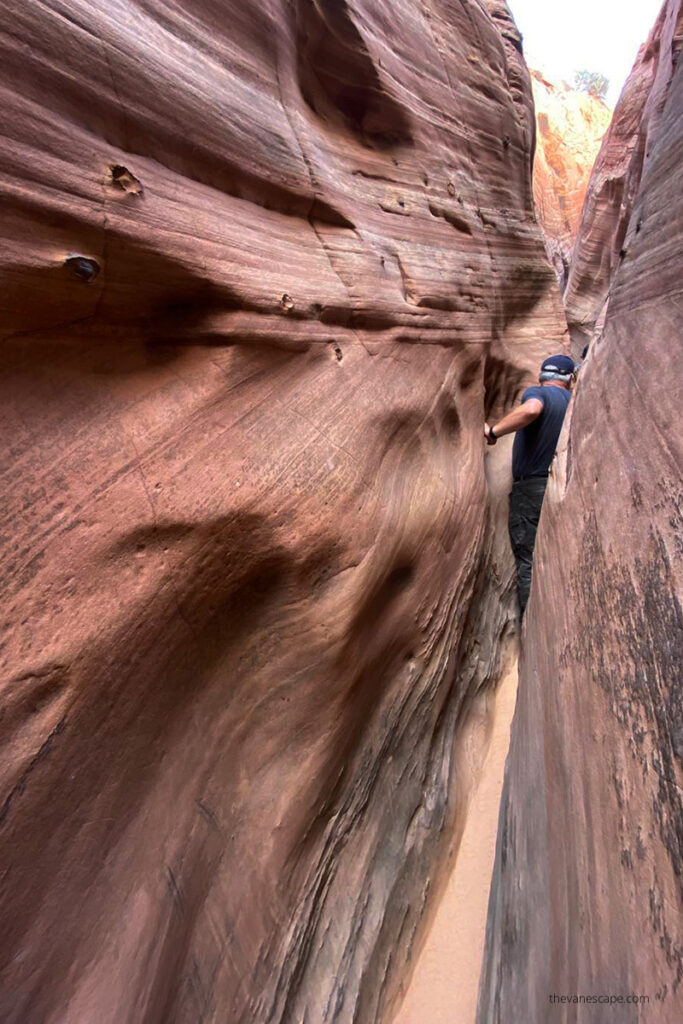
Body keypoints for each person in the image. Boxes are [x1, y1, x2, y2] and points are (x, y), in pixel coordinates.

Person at [484, 354, 576, 615]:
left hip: (531, 489)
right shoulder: (572, 403)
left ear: (543, 377)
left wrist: (493, 432)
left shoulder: (538, 393)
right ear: (569, 379)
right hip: (559, 487)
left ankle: (532, 625)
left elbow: (532, 410)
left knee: (528, 560)